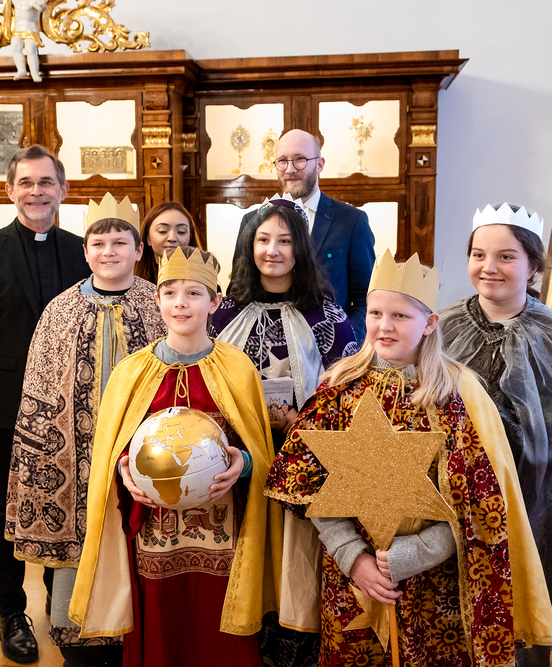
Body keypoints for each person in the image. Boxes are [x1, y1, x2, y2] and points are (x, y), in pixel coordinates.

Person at [264, 250, 552, 666]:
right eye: (376, 313)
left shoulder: (457, 393)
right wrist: (353, 556)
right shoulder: (338, 388)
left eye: (400, 316)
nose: (384, 326)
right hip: (354, 581)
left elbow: (481, 505)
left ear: (430, 323)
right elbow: (304, 483)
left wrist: (417, 552)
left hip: (432, 584)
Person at [68, 246, 283, 667]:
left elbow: (259, 450)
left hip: (224, 535)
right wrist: (123, 470)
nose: (180, 303)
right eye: (169, 293)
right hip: (155, 533)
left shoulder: (237, 368)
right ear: (157, 300)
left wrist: (244, 465)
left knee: (217, 631)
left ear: (214, 302)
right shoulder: (132, 372)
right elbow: (113, 451)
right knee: (163, 628)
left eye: (193, 293)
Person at [440, 203, 552, 667]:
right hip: (453, 497)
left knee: (519, 615)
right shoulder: (442, 326)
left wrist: (492, 435)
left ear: (533, 266)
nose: (488, 267)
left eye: (506, 257)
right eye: (478, 255)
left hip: (534, 501)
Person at [4, 193, 166, 666]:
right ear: (85, 250)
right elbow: (39, 391)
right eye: (99, 243)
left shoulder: (159, 304)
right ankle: (80, 641)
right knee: (81, 549)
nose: (108, 251)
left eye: (120, 242)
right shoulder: (60, 310)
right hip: (75, 459)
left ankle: (140, 635)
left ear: (139, 250)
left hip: (142, 453)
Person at [0, 144, 90, 663]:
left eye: (46, 182)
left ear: (63, 190)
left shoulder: (83, 250)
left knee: (68, 505)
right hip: (11, 406)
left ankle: (61, 609)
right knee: (7, 510)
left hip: (74, 406)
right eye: (27, 183)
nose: (37, 192)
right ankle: (12, 613)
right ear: (9, 189)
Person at [214, 197, 357, 667]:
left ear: (301, 248)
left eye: (284, 240)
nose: (272, 250)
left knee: (295, 563)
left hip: (303, 460)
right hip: (236, 460)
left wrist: (301, 422)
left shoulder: (327, 317)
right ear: (248, 246)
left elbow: (348, 394)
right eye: (262, 239)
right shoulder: (223, 312)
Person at [234, 129, 375, 343]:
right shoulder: (251, 221)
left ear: (320, 164)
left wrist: (348, 341)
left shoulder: (352, 221)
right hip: (265, 346)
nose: (290, 169)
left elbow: (366, 298)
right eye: (282, 161)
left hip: (332, 350)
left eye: (300, 159)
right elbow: (238, 289)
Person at [134, 201, 199, 284]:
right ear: (148, 238)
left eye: (181, 231)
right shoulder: (131, 283)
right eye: (162, 231)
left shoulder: (205, 284)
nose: (172, 238)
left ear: (190, 237)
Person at [9, 0, 47, 82]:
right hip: (18, 30)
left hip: (31, 31)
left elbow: (43, 7)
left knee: (30, 48)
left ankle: (34, 72)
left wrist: (39, 4)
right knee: (15, 45)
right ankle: (21, 69)